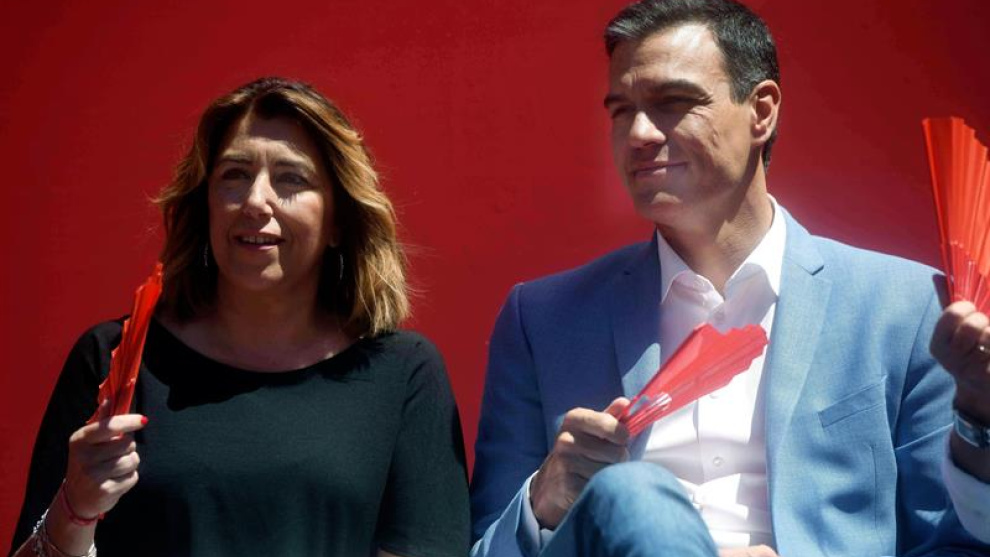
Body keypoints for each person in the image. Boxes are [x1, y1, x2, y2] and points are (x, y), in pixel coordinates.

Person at [468, 0, 990, 555]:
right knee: (631, 492)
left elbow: (954, 543)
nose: (639, 133)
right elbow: (483, 547)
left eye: (672, 103)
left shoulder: (904, 309)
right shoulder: (543, 320)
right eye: (621, 111)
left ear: (761, 111)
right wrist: (543, 500)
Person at [10, 77, 470, 557]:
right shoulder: (114, 358)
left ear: (338, 220)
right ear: (205, 203)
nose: (255, 202)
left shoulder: (402, 373)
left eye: (291, 178)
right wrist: (76, 509)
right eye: (235, 174)